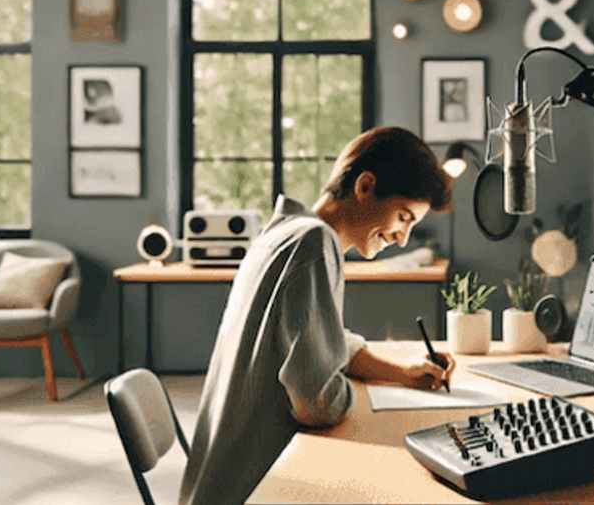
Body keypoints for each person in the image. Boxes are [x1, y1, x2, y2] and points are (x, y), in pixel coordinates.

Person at [179, 126, 456, 505]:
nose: (402, 238)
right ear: (365, 186)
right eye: (404, 217)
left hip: (221, 482)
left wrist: (401, 374)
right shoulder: (314, 244)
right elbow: (318, 404)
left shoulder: (285, 232)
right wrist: (360, 400)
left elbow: (325, 340)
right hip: (253, 488)